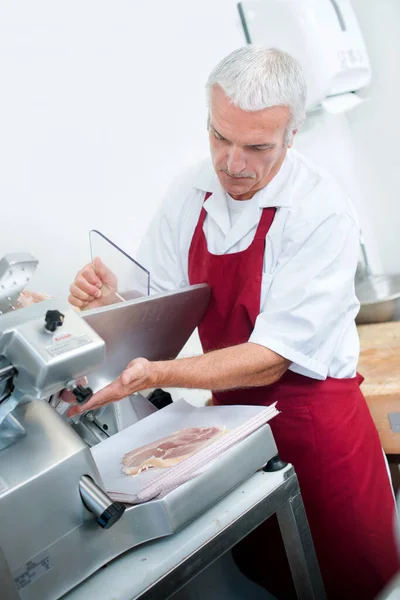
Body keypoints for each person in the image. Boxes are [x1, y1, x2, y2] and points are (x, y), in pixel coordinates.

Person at [67, 46, 399, 599]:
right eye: (220, 137)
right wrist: (110, 301)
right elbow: (158, 308)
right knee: (276, 573)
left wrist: (157, 375)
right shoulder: (190, 192)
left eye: (258, 147)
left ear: (292, 137)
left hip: (318, 432)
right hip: (237, 429)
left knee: (354, 579)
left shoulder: (321, 211)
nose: (233, 163)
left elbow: (272, 357)